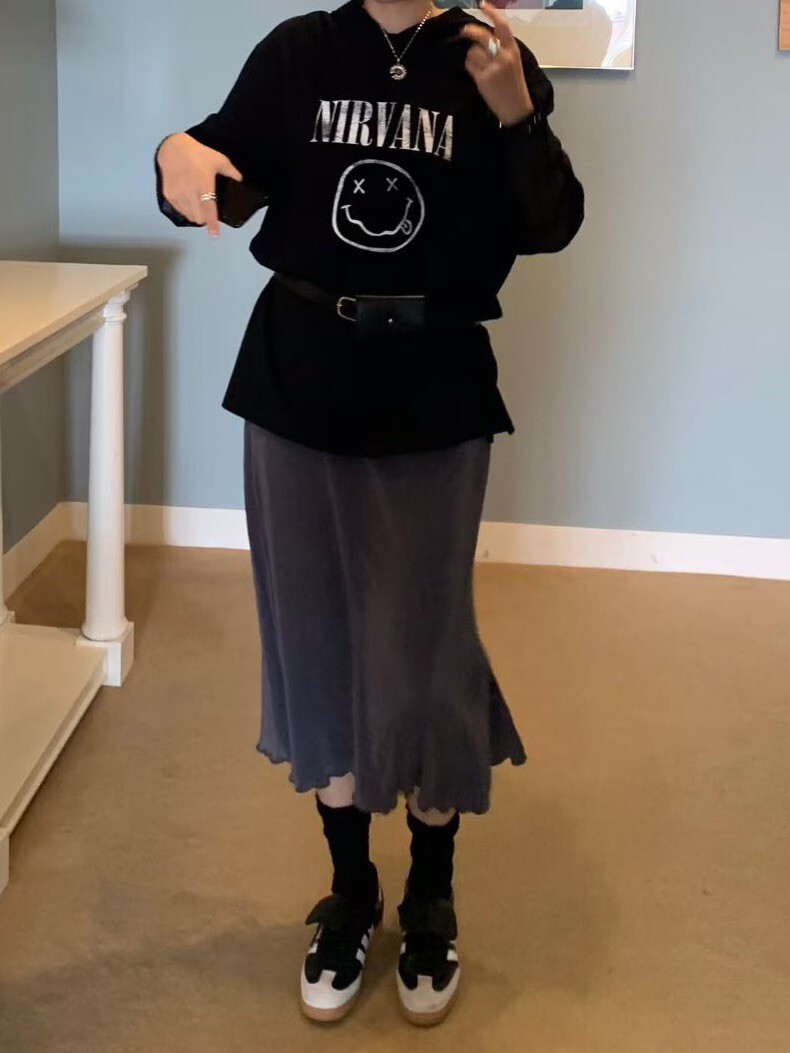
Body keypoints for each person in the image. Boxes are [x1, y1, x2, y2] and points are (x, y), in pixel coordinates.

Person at [154, 0, 583, 1027]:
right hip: (296, 379)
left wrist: (517, 113)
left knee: (425, 658)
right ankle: (352, 892)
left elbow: (550, 225)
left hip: (435, 389)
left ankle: (431, 890)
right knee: (315, 646)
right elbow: (215, 175)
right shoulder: (300, 50)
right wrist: (173, 154)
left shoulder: (489, 58)